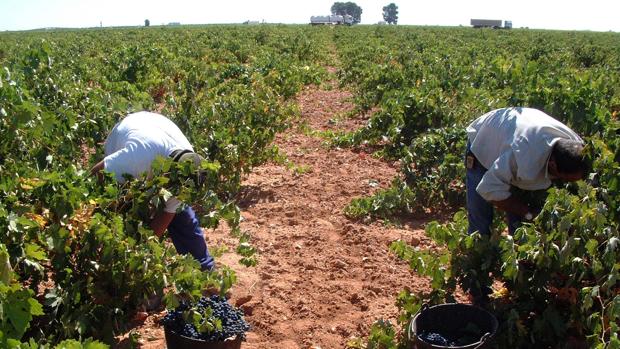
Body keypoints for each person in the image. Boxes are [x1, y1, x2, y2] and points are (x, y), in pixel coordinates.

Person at [90, 111, 215, 271]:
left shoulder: (188, 169)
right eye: (172, 188)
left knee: (183, 217)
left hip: (157, 128)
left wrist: (141, 252)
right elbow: (98, 171)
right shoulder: (137, 159)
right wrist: (98, 205)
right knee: (123, 209)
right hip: (128, 131)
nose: (174, 193)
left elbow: (163, 219)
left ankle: (205, 272)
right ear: (169, 173)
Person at [465, 107, 587, 236]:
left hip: (519, 130)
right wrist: (528, 213)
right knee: (480, 216)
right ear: (552, 165)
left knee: (520, 208)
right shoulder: (523, 156)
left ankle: (516, 243)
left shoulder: (577, 146)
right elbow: (488, 188)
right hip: (486, 136)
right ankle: (478, 248)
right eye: (564, 179)